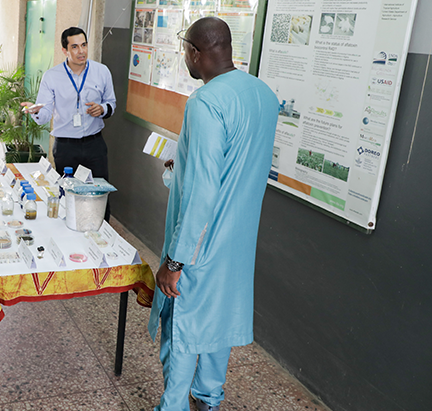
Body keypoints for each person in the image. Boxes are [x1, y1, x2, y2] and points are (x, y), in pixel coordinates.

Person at [148, 18, 278, 411]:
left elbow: (204, 193)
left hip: (201, 242)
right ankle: (208, 397)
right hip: (238, 240)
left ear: (195, 52)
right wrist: (182, 165)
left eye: (185, 49)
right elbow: (235, 165)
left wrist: (174, 260)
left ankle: (172, 406)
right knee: (218, 321)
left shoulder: (205, 103)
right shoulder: (263, 94)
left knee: (185, 324)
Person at [21, 26, 116, 220]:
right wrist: (36, 111)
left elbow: (111, 103)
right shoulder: (52, 76)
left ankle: (101, 240)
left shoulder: (102, 71)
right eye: (75, 47)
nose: (81, 51)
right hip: (66, 146)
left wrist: (103, 109)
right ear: (65, 50)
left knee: (99, 195)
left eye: (84, 45)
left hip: (94, 144)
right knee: (67, 197)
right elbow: (45, 114)